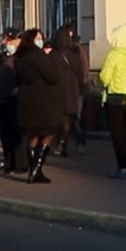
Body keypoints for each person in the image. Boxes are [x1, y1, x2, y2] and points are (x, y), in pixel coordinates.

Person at [13, 28, 63, 183]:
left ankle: (34, 170)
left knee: (33, 134)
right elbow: (52, 76)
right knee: (49, 131)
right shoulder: (37, 54)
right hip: (43, 99)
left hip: (26, 98)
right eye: (39, 38)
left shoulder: (19, 56)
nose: (41, 40)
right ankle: (35, 170)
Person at [99, 24, 126, 179]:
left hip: (114, 98)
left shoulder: (114, 54)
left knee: (117, 134)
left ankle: (122, 167)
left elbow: (104, 77)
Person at [49, 25, 88, 156]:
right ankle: (63, 142)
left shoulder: (54, 55)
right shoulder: (75, 54)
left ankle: (60, 144)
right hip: (72, 91)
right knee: (69, 119)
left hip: (57, 91)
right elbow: (81, 73)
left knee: (57, 120)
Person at [0, 30, 23, 175]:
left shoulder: (21, 57)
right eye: (6, 40)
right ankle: (8, 162)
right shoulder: (3, 56)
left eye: (10, 40)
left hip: (15, 99)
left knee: (16, 133)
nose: (7, 43)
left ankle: (19, 164)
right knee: (5, 133)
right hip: (2, 98)